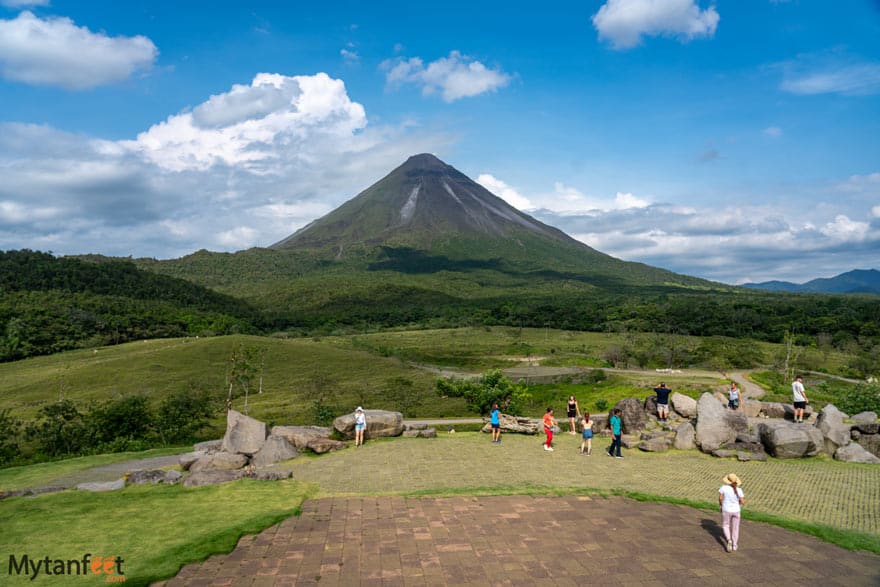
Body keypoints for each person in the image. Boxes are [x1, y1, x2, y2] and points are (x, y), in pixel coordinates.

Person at [718, 473, 745, 552]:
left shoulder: (723, 488)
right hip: (736, 511)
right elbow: (743, 502)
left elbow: (720, 498)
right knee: (735, 528)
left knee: (726, 525)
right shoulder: (739, 490)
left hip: (726, 509)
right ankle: (735, 545)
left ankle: (729, 540)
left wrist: (721, 505)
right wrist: (738, 502)